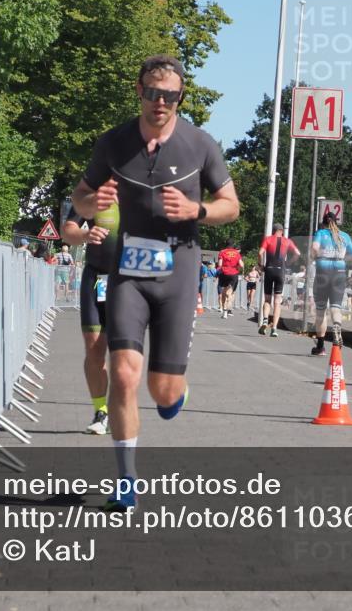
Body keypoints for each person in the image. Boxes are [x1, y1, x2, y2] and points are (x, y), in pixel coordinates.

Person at [72, 54, 239, 510]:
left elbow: (231, 204)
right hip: (128, 270)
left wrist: (197, 211)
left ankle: (176, 390)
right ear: (139, 91)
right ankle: (126, 479)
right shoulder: (114, 142)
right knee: (124, 373)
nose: (160, 102)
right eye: (152, 93)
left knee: (162, 392)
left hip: (178, 271)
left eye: (169, 95)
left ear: (180, 97)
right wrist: (91, 202)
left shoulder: (200, 144)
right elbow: (80, 196)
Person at [62, 203, 121, 435]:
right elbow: (68, 229)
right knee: (94, 349)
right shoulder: (93, 190)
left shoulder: (141, 184)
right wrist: (85, 234)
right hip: (97, 278)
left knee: (123, 354)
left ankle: (121, 407)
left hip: (129, 282)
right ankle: (101, 411)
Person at [310, 212, 352, 356]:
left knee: (321, 311)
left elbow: (314, 248)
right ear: (336, 222)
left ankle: (320, 346)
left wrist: (315, 257)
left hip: (323, 273)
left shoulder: (321, 233)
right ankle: (337, 326)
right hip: (339, 272)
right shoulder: (345, 236)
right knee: (336, 307)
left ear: (324, 223)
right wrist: (342, 257)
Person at [258, 223, 301, 337]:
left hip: (269, 270)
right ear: (281, 231)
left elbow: (260, 252)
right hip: (280, 271)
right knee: (277, 301)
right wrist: (288, 263)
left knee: (267, 299)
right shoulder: (287, 241)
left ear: (273, 231)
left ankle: (265, 320)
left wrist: (261, 264)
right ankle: (275, 328)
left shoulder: (268, 239)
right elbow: (297, 253)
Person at [216, 240, 243, 318]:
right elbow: (241, 265)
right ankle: (227, 309)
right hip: (233, 274)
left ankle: (224, 310)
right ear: (233, 245)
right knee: (230, 293)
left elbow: (220, 264)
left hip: (224, 273)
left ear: (226, 244)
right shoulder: (237, 253)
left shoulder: (222, 252)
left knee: (223, 292)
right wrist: (237, 267)